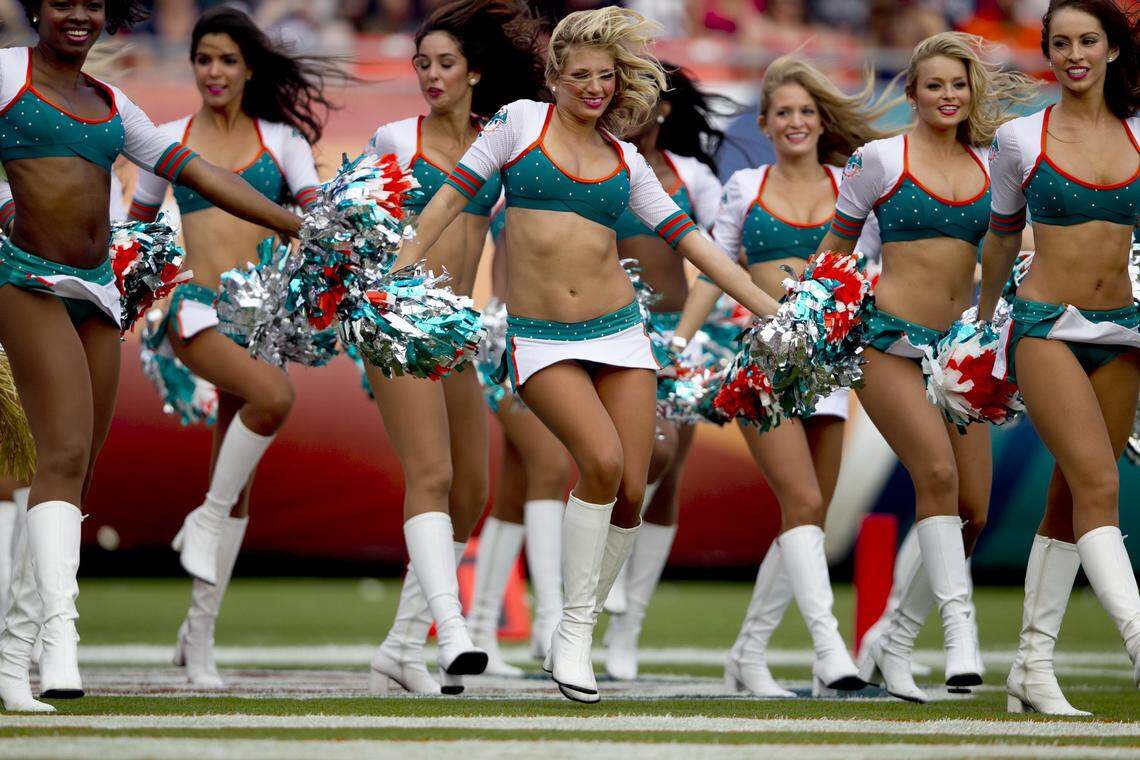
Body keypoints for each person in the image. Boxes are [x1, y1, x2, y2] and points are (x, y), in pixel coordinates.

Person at [401, 6, 780, 704]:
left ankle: (577, 629)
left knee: (636, 484)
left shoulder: (625, 158)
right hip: (541, 339)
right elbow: (448, 202)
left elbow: (695, 245)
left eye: (606, 78)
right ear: (553, 78)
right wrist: (397, 268)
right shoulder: (517, 125)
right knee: (600, 463)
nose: (596, 89)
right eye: (581, 77)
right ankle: (570, 631)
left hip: (619, 331)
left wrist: (774, 310)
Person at [0, 0, 302, 713]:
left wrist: (297, 224)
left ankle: (12, 660)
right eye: (62, 1)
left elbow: (197, 172)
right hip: (23, 279)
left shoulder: (113, 105)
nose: (78, 15)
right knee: (64, 453)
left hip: (101, 294)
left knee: (70, 470)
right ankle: (59, 644)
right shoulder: (9, 74)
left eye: (92, 4)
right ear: (34, 8)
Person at [813, 31, 1037, 704]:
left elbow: (1013, 249)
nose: (947, 96)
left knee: (971, 508)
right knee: (934, 474)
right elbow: (836, 246)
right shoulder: (879, 159)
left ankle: (892, 640)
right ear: (911, 92)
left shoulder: (994, 164)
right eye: (934, 84)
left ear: (972, 94)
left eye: (958, 85)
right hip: (886, 341)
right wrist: (810, 317)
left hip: (960, 350)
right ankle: (958, 633)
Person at [127, 5, 336, 688]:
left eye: (226, 60)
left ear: (248, 68)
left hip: (264, 320)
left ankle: (199, 637)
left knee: (239, 481)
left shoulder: (282, 141)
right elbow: (135, 233)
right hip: (194, 311)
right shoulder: (167, 138)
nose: (213, 71)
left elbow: (319, 223)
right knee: (275, 399)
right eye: (203, 59)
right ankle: (206, 520)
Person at [671, 54, 892, 697]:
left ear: (823, 121)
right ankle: (829, 655)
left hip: (825, 365)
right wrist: (680, 344)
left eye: (806, 111)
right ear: (764, 123)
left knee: (809, 515)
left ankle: (747, 654)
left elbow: (868, 279)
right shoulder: (746, 188)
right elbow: (714, 268)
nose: (795, 121)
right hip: (760, 360)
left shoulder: (852, 187)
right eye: (783, 113)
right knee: (800, 502)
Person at [362, 0, 548, 696]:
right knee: (432, 476)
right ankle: (454, 632)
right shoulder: (391, 138)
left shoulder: (496, 137)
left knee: (472, 488)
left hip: (460, 330)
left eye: (445, 64)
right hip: (397, 324)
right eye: (422, 65)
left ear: (474, 71)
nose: (432, 76)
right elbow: (358, 230)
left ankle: (403, 645)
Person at [979, 0, 1140, 716]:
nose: (1075, 53)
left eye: (1089, 40)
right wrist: (983, 327)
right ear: (1047, 51)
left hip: (1124, 330)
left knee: (1070, 500)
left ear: (1112, 50)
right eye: (1062, 42)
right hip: (1044, 325)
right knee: (1100, 486)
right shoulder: (1019, 138)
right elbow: (1002, 239)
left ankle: (1029, 671)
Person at [600, 63, 726, 682]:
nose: (634, 110)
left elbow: (715, 256)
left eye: (647, 101)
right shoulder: (595, 163)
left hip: (678, 336)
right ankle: (606, 572)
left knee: (668, 476)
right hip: (612, 329)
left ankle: (628, 630)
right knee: (647, 451)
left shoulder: (693, 177)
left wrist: (692, 335)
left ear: (665, 111)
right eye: (625, 99)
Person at [467, 208, 571, 674]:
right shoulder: (526, 167)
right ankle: (550, 618)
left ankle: (480, 631)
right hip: (508, 336)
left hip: (555, 337)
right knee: (551, 466)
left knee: (515, 488)